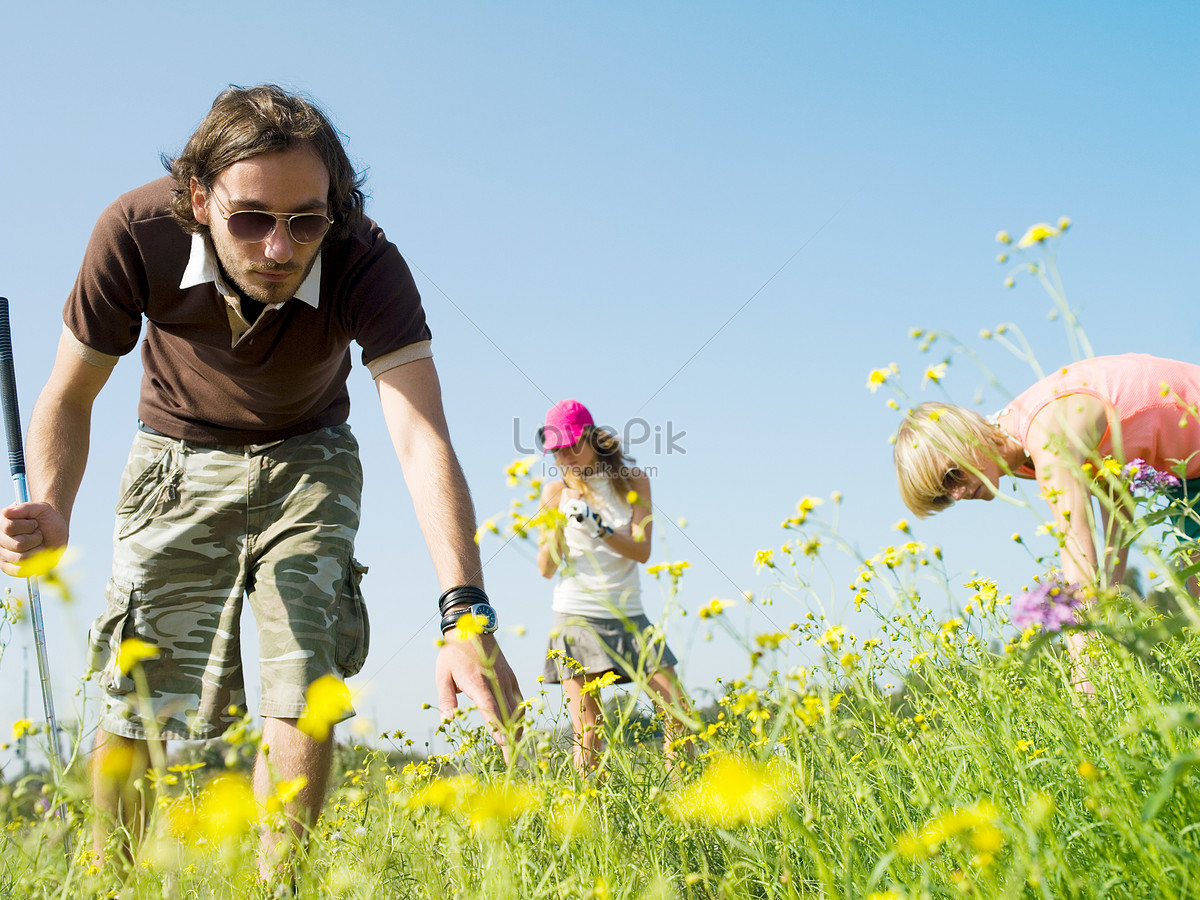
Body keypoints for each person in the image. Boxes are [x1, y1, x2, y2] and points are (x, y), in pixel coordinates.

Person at [0, 85, 522, 874]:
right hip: (175, 451)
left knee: (303, 671)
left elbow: (421, 438)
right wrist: (53, 505)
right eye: (251, 220)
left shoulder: (365, 261)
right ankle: (111, 885)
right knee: (137, 686)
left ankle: (284, 888)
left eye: (304, 221)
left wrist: (465, 612)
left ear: (333, 211)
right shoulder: (134, 232)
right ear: (198, 198)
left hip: (309, 453)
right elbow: (68, 397)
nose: (280, 249)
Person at [894, 353, 1200, 680]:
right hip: (1185, 473)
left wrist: (1084, 679)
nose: (956, 494)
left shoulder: (1047, 440)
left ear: (964, 437)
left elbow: (1079, 561)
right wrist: (1109, 602)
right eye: (944, 494)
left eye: (951, 476)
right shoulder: (1014, 444)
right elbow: (1115, 492)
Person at [535, 399, 690, 772]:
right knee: (589, 730)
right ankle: (588, 823)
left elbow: (642, 551)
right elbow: (545, 567)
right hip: (577, 617)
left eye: (573, 446)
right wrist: (558, 520)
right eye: (557, 450)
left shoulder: (633, 481)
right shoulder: (554, 492)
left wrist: (598, 528)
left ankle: (687, 804)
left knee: (678, 713)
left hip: (629, 614)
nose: (566, 457)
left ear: (593, 439)